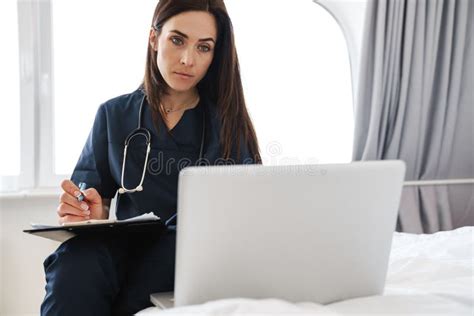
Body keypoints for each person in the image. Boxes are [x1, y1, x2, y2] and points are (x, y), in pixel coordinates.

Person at [40, 0, 261, 315]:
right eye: (177, 40)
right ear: (154, 38)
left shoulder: (227, 126)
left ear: (216, 54)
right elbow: (94, 203)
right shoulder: (114, 115)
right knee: (76, 260)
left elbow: (246, 215)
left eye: (204, 47)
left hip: (187, 257)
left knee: (173, 247)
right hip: (123, 250)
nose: (188, 59)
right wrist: (84, 209)